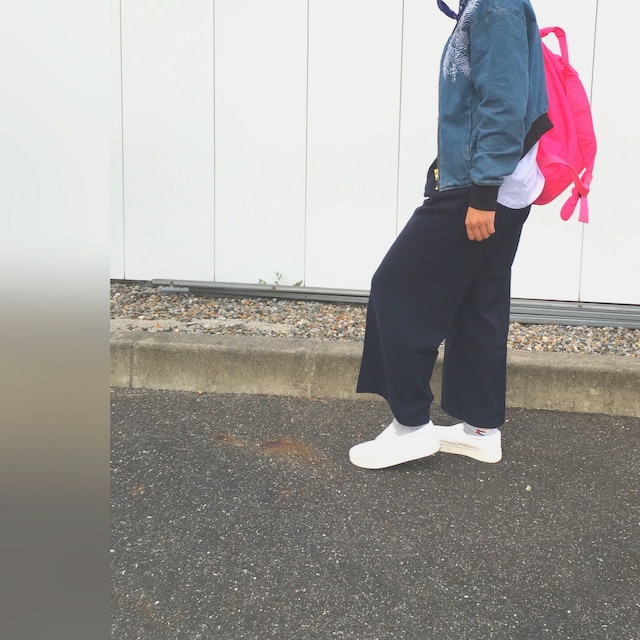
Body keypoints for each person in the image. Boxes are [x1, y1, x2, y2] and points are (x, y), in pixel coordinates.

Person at [349, 0, 552, 469]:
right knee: (479, 303)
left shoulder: (495, 6)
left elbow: (504, 102)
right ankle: (480, 430)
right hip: (502, 185)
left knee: (395, 287)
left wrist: (482, 194)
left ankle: (410, 428)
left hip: (482, 187)